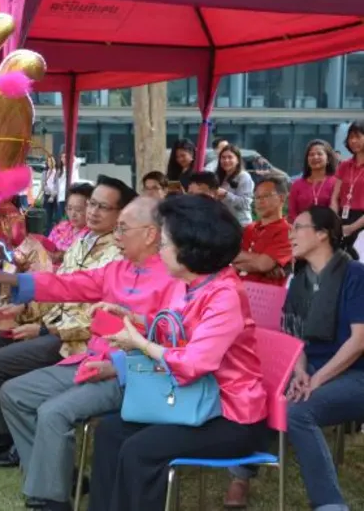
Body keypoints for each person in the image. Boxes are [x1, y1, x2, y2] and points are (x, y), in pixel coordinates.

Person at [0, 197, 181, 511]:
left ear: (150, 234)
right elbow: (67, 284)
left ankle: (50, 500)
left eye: (123, 228)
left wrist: (122, 356)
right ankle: (60, 478)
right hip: (89, 362)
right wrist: (11, 279)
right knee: (14, 393)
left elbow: (172, 339)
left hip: (133, 375)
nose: (116, 236)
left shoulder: (172, 277)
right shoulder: (116, 269)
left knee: (53, 413)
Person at [87, 195, 269, 511]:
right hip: (189, 400)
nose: (159, 248)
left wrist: (139, 344)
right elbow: (174, 329)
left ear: (190, 248)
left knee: (140, 450)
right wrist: (131, 318)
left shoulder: (225, 295)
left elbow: (195, 362)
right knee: (110, 433)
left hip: (231, 417)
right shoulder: (189, 282)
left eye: (166, 242)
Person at [0, 176, 133, 466]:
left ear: (121, 215)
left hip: (74, 340)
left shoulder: (119, 254)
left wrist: (44, 328)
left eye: (103, 207)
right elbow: (58, 286)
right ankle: (4, 435)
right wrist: (21, 311)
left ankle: (16, 442)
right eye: (92, 204)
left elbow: (100, 318)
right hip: (48, 324)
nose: (92, 212)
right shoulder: (82, 241)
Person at [224, 207, 364, 511]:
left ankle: (330, 504)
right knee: (255, 390)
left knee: (299, 412)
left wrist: (316, 379)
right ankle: (240, 475)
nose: (290, 234)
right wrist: (299, 370)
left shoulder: (355, 274)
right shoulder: (299, 279)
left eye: (297, 227)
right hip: (311, 367)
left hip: (355, 373)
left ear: (322, 234)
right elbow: (294, 336)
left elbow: (358, 342)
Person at [233, 177, 292, 286]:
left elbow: (262, 264)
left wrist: (238, 262)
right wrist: (260, 260)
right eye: (257, 197)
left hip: (266, 295)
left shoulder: (287, 231)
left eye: (266, 196)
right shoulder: (249, 229)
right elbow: (232, 257)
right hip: (238, 288)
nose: (260, 201)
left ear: (281, 198)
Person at [331, 120, 364, 254]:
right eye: (350, 137)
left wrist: (352, 228)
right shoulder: (344, 165)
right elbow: (335, 197)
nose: (353, 141)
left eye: (358, 136)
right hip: (342, 217)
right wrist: (334, 219)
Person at [289, 139, 338, 222]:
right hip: (302, 229)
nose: (315, 157)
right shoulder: (297, 184)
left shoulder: (336, 182)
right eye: (311, 154)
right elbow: (292, 213)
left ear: (328, 159)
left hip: (328, 229)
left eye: (319, 154)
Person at [48, 182, 93, 262]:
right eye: (69, 208)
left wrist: (62, 256)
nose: (73, 214)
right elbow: (46, 246)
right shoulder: (61, 228)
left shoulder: (92, 235)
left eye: (78, 210)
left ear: (90, 210)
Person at [216, 144, 255, 225]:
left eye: (230, 157)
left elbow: (245, 203)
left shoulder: (244, 176)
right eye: (223, 157)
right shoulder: (221, 176)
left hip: (239, 224)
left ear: (237, 160)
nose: (226, 160)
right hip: (224, 223)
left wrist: (226, 194)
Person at [41, 156, 61, 234]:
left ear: (55, 162)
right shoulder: (44, 172)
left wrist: (53, 196)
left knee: (57, 217)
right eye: (49, 161)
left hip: (56, 197)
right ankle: (48, 234)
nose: (50, 163)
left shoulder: (58, 172)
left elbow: (57, 185)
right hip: (47, 196)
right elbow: (43, 185)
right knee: (47, 217)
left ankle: (57, 234)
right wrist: (50, 193)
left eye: (52, 161)